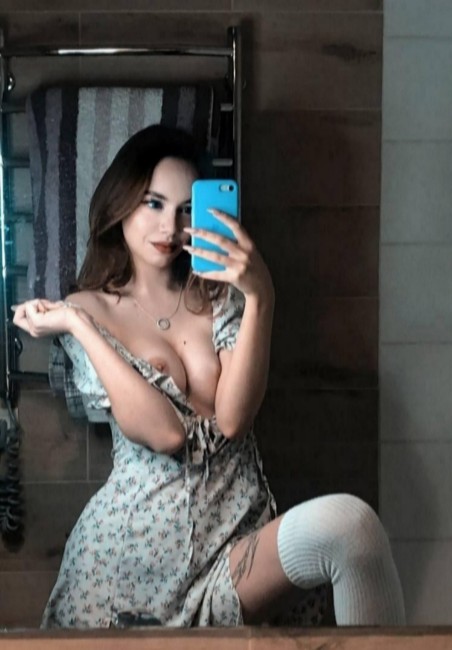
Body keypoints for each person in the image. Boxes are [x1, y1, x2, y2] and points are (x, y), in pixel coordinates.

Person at [13, 124, 405, 628]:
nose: (170, 226)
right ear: (121, 204)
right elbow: (165, 434)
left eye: (186, 209)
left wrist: (261, 295)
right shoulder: (88, 310)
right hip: (130, 562)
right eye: (153, 203)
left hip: (232, 542)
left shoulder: (219, 295)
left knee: (352, 528)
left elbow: (234, 419)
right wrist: (77, 324)